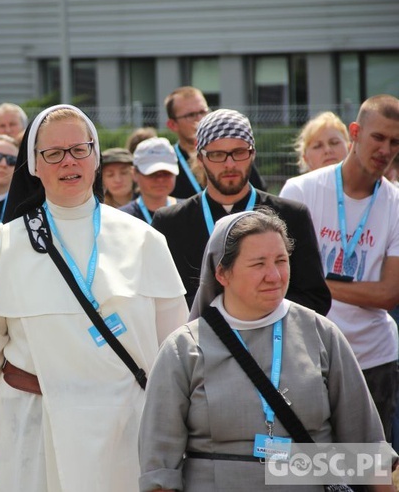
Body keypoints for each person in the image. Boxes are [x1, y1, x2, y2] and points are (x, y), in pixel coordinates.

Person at [0, 104, 188, 492]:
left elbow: (175, 353)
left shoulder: (145, 241)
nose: (69, 162)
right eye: (54, 153)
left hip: (127, 429)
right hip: (33, 428)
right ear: (33, 165)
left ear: (95, 156)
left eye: (80, 149)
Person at [138, 209, 394, 492]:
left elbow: (369, 451)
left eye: (281, 261)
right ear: (222, 272)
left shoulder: (322, 335)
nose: (274, 275)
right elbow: (160, 471)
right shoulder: (183, 349)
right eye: (258, 264)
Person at [280, 94, 399, 439]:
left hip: (373, 356)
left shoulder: (394, 204)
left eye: (395, 142)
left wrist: (316, 283)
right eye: (378, 137)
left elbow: (388, 294)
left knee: (365, 467)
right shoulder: (300, 190)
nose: (386, 149)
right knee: (308, 465)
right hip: (308, 354)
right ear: (356, 133)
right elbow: (283, 279)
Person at [152, 108, 331, 315]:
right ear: (200, 157)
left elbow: (315, 298)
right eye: (217, 154)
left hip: (272, 341)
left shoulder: (291, 215)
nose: (230, 164)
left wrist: (251, 312)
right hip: (199, 342)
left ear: (252, 153)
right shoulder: (170, 222)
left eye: (239, 152)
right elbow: (162, 301)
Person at [164, 86, 266, 199]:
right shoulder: (167, 164)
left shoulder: (236, 158)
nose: (200, 119)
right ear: (172, 125)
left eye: (203, 112)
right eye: (191, 115)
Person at [120, 137, 178, 224]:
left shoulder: (192, 212)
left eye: (166, 173)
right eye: (152, 174)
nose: (160, 179)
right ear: (134, 173)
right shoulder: (122, 218)